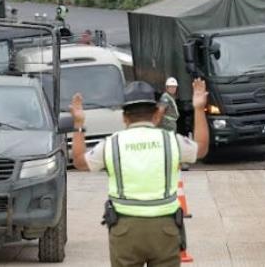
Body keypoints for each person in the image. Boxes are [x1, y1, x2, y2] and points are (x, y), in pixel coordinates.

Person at [69, 79, 209, 267]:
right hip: (165, 229)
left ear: (124, 117)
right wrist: (199, 110)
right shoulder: (171, 141)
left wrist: (78, 124)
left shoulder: (112, 143)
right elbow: (201, 149)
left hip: (125, 231)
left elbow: (79, 161)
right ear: (156, 114)